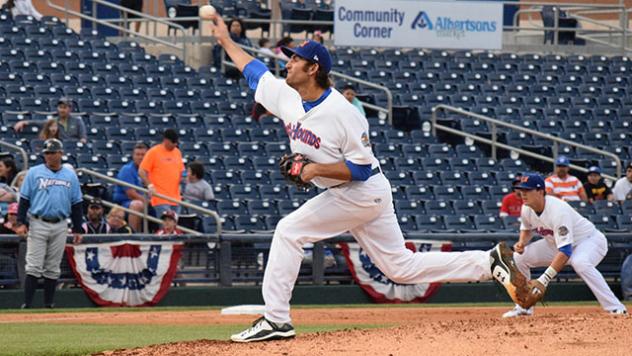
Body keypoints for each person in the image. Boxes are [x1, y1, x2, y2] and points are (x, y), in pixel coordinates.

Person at [208, 15, 522, 342]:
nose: (288, 63)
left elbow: (358, 169)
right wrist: (226, 42)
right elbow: (255, 71)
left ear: (313, 69)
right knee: (400, 268)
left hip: (361, 191)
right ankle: (488, 262)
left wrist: (314, 170)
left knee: (288, 231)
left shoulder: (343, 113)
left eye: (295, 59)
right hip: (356, 195)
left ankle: (276, 319)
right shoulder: (288, 96)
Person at [502, 173, 627, 318]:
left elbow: (566, 251)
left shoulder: (557, 210)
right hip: (555, 243)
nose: (522, 193)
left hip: (588, 241)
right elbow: (526, 228)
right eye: (521, 190)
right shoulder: (526, 208)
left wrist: (544, 279)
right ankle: (524, 307)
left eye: (527, 190)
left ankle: (616, 308)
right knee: (519, 258)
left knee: (580, 262)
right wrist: (522, 242)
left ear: (540, 192)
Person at [15, 138, 83, 308]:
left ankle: (49, 304)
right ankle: (27, 304)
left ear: (61, 153)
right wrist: (21, 222)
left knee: (53, 267)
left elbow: (77, 203)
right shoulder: (34, 172)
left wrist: (77, 228)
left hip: (60, 223)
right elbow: (24, 200)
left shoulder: (69, 174)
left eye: (53, 152)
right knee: (34, 265)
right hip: (38, 221)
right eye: (47, 153)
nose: (50, 156)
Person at [139, 129, 184, 218]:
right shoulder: (154, 152)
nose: (175, 145)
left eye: (176, 143)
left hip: (175, 198)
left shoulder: (177, 152)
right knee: (167, 226)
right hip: (160, 197)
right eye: (173, 142)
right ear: (166, 141)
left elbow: (181, 171)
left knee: (173, 228)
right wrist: (150, 185)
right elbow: (142, 171)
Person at [14, 97, 88, 144]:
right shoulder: (53, 121)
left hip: (73, 146)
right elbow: (38, 122)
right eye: (60, 107)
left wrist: (81, 143)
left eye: (65, 108)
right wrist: (24, 122)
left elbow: (83, 137)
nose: (62, 110)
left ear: (70, 109)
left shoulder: (78, 121)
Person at [113, 142, 148, 232]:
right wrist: (149, 202)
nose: (140, 157)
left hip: (146, 202)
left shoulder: (149, 170)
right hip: (125, 203)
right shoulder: (127, 169)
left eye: (143, 155)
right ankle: (134, 235)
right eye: (138, 154)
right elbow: (131, 194)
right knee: (137, 204)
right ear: (133, 156)